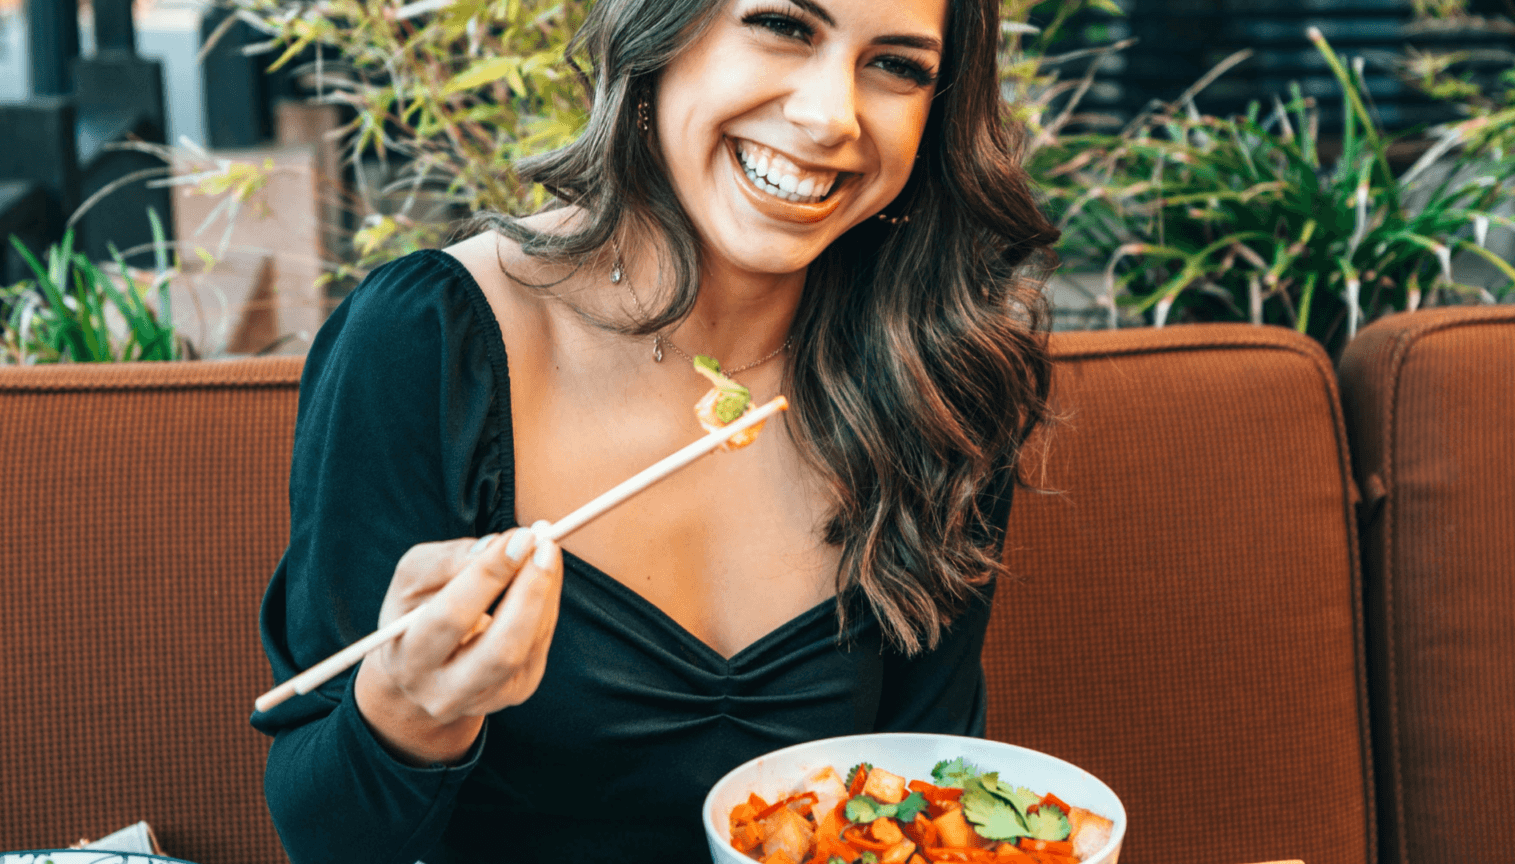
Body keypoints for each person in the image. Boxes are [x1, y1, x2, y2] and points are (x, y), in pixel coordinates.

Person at [250, 0, 1059, 861]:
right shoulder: (426, 342)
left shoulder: (941, 382)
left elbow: (933, 788)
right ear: (659, 33)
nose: (830, 116)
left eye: (897, 65)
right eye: (785, 24)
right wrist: (415, 711)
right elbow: (324, 837)